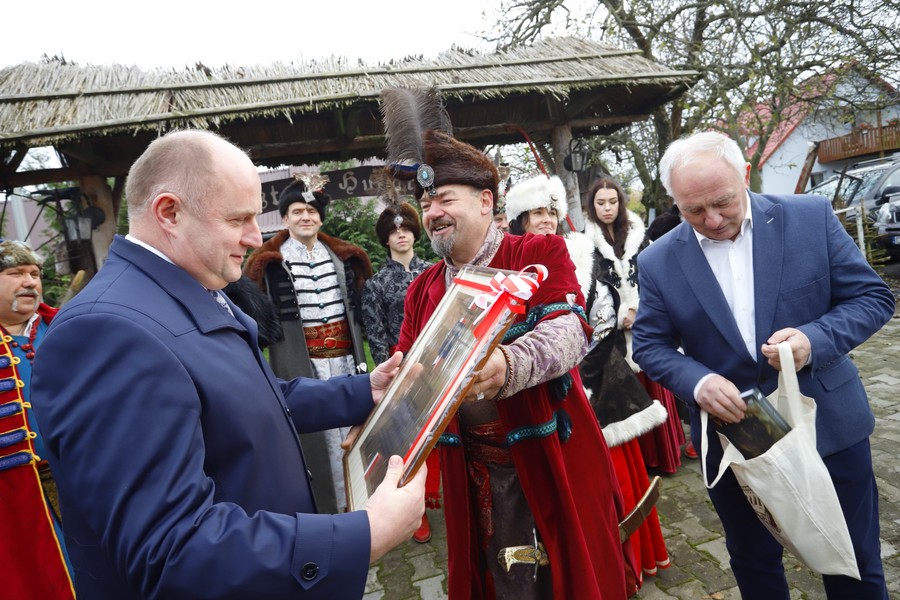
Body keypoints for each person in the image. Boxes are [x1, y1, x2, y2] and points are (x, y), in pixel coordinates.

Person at [30, 129, 426, 599]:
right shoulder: (105, 333)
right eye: (238, 218)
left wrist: (364, 392)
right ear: (169, 213)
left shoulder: (189, 288)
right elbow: (172, 547)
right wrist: (363, 536)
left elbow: (255, 400)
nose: (256, 236)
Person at [632, 130, 895, 599]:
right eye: (693, 210)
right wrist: (697, 381)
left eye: (723, 202)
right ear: (674, 200)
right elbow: (650, 345)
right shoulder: (657, 260)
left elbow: (873, 298)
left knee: (853, 561)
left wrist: (813, 340)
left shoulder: (809, 219)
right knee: (754, 562)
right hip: (739, 426)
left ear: (745, 175)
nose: (712, 220)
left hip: (826, 418)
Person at [392, 128, 630, 599]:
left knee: (570, 578)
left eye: (443, 199)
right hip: (470, 467)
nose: (432, 212)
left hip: (551, 456)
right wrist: (382, 408)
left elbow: (569, 330)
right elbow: (407, 374)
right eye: (426, 204)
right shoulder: (422, 289)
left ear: (485, 201)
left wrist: (510, 362)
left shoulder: (536, 253)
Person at [506, 174, 670, 589]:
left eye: (550, 211)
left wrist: (583, 371)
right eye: (535, 213)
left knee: (607, 487)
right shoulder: (507, 266)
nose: (545, 220)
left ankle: (617, 571)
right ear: (520, 220)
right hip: (537, 392)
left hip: (596, 377)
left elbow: (603, 315)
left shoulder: (583, 252)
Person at [243, 176, 373, 513]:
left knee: (355, 432)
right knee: (319, 440)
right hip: (305, 365)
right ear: (285, 219)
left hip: (345, 360)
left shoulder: (344, 257)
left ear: (320, 218)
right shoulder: (266, 264)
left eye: (312, 211)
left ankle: (361, 502)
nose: (305, 217)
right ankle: (328, 509)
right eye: (297, 211)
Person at [582, 176, 686, 474]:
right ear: (592, 206)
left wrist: (639, 311)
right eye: (600, 203)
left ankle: (661, 457)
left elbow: (658, 279)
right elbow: (589, 289)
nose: (607, 208)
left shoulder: (641, 237)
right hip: (611, 338)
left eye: (612, 202)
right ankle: (640, 461)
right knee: (625, 394)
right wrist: (615, 316)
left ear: (621, 202)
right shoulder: (585, 243)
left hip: (645, 327)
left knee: (653, 386)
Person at [0, 240, 74, 599]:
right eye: (14, 274)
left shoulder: (68, 327)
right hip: (13, 501)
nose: (29, 282)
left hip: (83, 482)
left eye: (34, 274)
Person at [361, 201, 436, 542]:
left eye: (405, 228)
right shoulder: (376, 284)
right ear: (385, 239)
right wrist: (389, 375)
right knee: (407, 440)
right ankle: (414, 509)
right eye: (393, 231)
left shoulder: (435, 271)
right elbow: (375, 335)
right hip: (402, 371)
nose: (400, 234)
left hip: (439, 364)